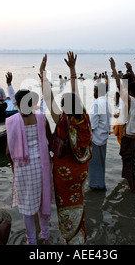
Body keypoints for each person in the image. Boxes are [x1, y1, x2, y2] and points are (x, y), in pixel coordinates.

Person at [39, 52, 92, 245]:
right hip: (81, 172)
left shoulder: (62, 121)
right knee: (78, 200)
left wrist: (43, 73)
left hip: (64, 173)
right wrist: (72, 69)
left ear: (64, 108)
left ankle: (71, 239)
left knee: (66, 206)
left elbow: (47, 97)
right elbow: (75, 93)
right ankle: (80, 235)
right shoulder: (83, 119)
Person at [5, 89, 52, 245]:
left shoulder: (12, 121)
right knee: (42, 201)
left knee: (27, 207)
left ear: (17, 104)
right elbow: (50, 140)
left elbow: (8, 151)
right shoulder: (41, 118)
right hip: (41, 167)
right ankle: (45, 237)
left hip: (23, 169)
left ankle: (31, 241)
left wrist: (13, 167)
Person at [110, 58, 135, 193]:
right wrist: (131, 71)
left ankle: (133, 188)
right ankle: (127, 180)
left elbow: (119, 86)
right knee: (131, 159)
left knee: (127, 160)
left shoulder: (131, 101)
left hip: (129, 135)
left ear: (129, 92)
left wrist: (113, 69)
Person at [88, 82, 111, 190]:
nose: (93, 93)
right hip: (103, 138)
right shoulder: (106, 103)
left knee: (94, 165)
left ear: (97, 92)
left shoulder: (97, 103)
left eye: (94, 90)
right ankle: (100, 184)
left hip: (96, 139)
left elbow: (92, 125)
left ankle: (96, 186)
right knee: (100, 164)